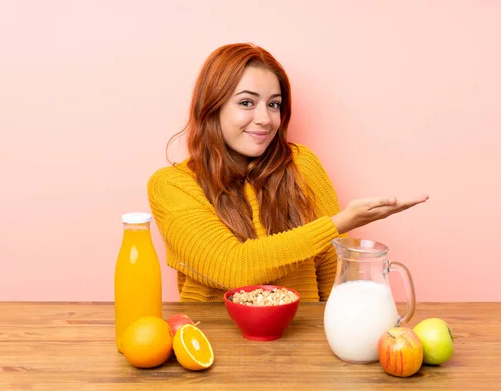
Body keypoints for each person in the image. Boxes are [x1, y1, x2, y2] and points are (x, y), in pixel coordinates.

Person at [147, 43, 428, 302]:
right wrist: (338, 223)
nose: (265, 119)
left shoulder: (302, 165)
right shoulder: (172, 185)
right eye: (247, 102)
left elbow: (333, 272)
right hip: (213, 345)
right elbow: (231, 267)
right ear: (211, 107)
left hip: (301, 342)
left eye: (274, 104)